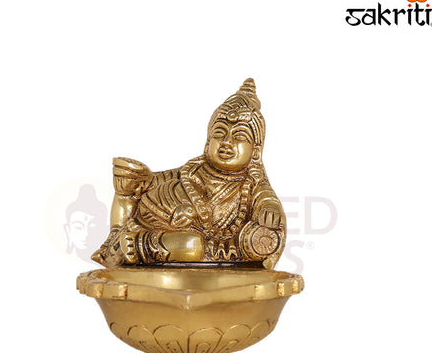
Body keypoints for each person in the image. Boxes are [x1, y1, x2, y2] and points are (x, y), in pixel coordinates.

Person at [92, 79, 286, 269]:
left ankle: (136, 246)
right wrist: (141, 180)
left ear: (255, 151)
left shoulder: (252, 184)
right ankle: (116, 236)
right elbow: (160, 180)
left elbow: (266, 199)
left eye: (239, 137)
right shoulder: (191, 171)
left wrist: (269, 210)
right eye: (219, 133)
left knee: (192, 245)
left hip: (189, 243)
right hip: (150, 218)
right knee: (129, 182)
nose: (227, 142)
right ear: (208, 143)